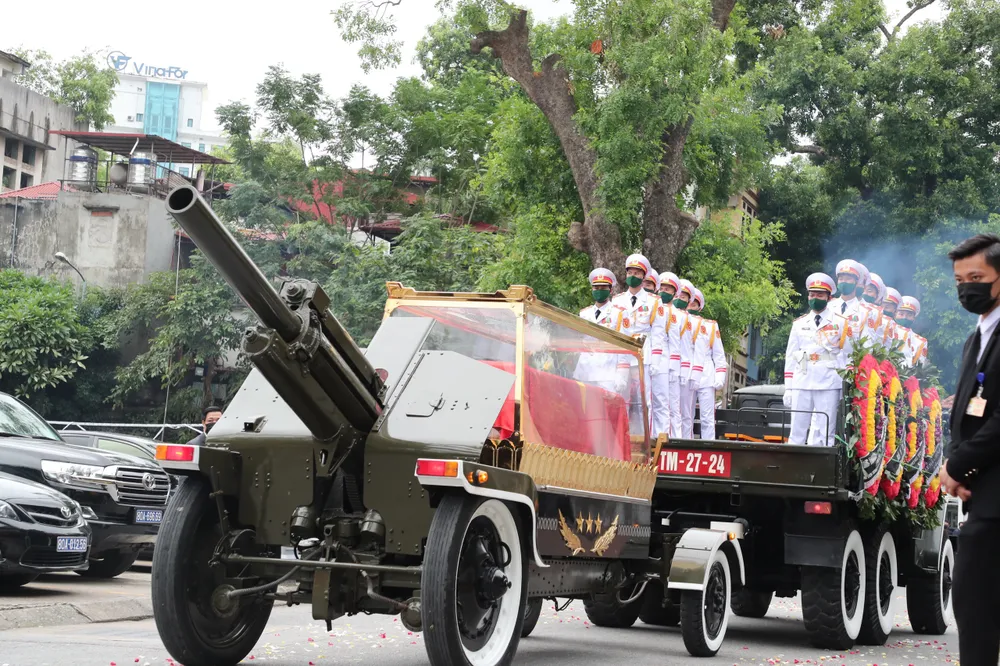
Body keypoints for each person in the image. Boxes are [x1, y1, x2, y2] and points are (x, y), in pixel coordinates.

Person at [940, 233, 1000, 666]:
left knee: (978, 607)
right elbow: (967, 409)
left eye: (976, 277)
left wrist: (959, 464)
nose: (967, 288)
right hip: (984, 497)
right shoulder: (976, 338)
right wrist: (960, 468)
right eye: (960, 280)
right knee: (974, 609)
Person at [783, 273, 854, 446]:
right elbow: (791, 356)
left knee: (825, 431)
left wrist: (844, 384)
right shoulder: (799, 323)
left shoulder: (841, 322)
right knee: (797, 431)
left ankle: (822, 471)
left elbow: (848, 355)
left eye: (820, 295)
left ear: (829, 298)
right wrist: (789, 387)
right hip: (802, 380)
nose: (815, 298)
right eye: (812, 295)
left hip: (828, 382)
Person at [612, 254, 656, 434]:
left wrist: (656, 361)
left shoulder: (654, 302)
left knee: (643, 401)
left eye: (637, 273)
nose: (633, 275)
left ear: (644, 276)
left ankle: (646, 438)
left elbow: (658, 334)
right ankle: (621, 436)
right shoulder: (616, 301)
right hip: (621, 357)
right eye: (630, 272)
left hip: (643, 357)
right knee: (621, 399)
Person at [574, 268, 629, 396]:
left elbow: (624, 345)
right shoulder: (584, 313)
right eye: (596, 288)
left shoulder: (619, 313)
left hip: (608, 371)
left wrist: (622, 374)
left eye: (603, 288)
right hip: (586, 370)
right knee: (586, 412)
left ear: (610, 290)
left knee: (609, 412)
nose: (599, 291)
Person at [687, 291, 728, 440]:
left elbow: (718, 355)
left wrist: (720, 376)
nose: (691, 305)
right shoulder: (679, 320)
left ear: (699, 306)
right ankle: (685, 444)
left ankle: (708, 446)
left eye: (694, 303)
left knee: (707, 417)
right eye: (689, 302)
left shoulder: (709, 326)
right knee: (686, 415)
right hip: (686, 373)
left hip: (706, 375)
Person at [649, 271, 680, 439]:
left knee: (661, 401)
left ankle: (662, 437)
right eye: (663, 288)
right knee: (646, 401)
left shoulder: (674, 313)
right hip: (646, 354)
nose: (664, 292)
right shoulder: (651, 304)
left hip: (663, 359)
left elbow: (675, 343)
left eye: (669, 289)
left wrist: (673, 370)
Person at [668, 279, 695, 438]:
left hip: (678, 368)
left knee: (678, 409)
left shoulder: (686, 318)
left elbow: (686, 349)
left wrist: (685, 371)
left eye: (684, 297)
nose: (680, 299)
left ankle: (678, 441)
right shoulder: (661, 310)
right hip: (660, 364)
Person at [679, 286, 705, 439]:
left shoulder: (703, 324)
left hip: (691, 370)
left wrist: (695, 373)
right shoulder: (676, 317)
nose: (690, 307)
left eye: (694, 305)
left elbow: (699, 351)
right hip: (675, 367)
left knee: (687, 411)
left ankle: (686, 439)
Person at [895, 296, 929, 367]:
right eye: (901, 314)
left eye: (909, 315)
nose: (904, 317)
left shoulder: (920, 342)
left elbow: (919, 368)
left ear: (914, 318)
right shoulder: (885, 329)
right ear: (895, 314)